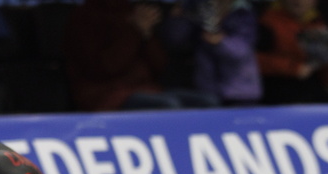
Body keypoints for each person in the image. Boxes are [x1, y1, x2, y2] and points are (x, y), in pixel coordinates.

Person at [64, 0, 219, 112]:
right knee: (168, 105)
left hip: (146, 89)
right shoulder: (85, 16)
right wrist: (135, 32)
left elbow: (160, 66)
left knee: (207, 102)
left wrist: (147, 35)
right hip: (106, 95)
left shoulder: (134, 11)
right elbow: (104, 68)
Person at [161, 0, 262, 106]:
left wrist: (220, 41)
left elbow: (240, 51)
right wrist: (179, 15)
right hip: (207, 89)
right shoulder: (195, 10)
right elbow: (176, 40)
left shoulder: (243, 13)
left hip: (240, 92)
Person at [256, 0, 328, 105]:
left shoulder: (320, 25)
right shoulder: (267, 23)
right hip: (276, 97)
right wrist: (293, 68)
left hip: (313, 100)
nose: (298, 1)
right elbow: (253, 61)